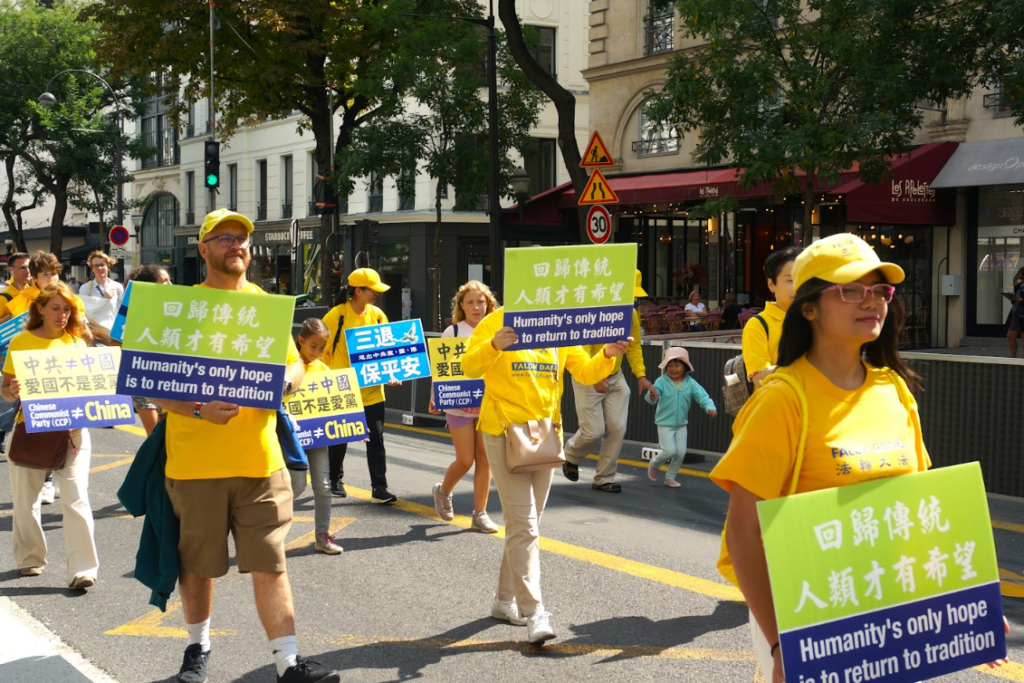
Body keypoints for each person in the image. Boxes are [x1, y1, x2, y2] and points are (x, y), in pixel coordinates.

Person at [711, 234, 934, 681]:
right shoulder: (781, 400)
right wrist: (780, 642)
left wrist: (961, 604)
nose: (871, 301)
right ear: (808, 308)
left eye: (880, 290)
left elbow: (922, 510)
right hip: (808, 606)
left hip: (888, 599)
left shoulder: (894, 388)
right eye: (850, 290)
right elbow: (744, 533)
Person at [147, 209, 338, 683]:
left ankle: (288, 663)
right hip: (195, 466)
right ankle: (197, 650)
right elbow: (151, 384)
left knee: (271, 562)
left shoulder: (266, 306)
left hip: (260, 462)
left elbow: (295, 364)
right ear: (203, 248)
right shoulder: (181, 308)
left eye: (243, 238)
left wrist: (288, 383)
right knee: (197, 567)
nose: (237, 245)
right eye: (225, 237)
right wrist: (198, 409)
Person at [463, 308, 630, 644]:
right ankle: (535, 612)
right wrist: (493, 346)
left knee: (527, 525)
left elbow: (583, 371)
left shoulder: (558, 323)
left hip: (544, 433)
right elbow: (469, 367)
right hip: (504, 432)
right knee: (524, 526)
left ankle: (503, 601)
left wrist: (607, 355)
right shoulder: (496, 321)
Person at [1, 282, 98, 590]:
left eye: (67, 309)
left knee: (76, 497)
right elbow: (5, 391)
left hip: (72, 432)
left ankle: (83, 570)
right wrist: (13, 390)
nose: (62, 314)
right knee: (26, 500)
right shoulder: (21, 341)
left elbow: (91, 387)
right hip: (31, 429)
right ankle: (30, 558)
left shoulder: (77, 343)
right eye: (55, 308)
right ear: (40, 309)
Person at [561, 269, 655, 493]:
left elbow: (633, 345)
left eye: (634, 296)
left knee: (617, 428)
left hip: (616, 377)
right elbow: (581, 349)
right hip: (588, 377)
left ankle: (604, 478)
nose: (633, 300)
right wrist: (593, 377)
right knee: (593, 431)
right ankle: (570, 456)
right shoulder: (591, 312)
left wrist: (641, 376)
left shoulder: (631, 314)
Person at [321, 268, 398, 505]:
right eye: (372, 290)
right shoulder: (336, 315)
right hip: (343, 387)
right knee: (339, 437)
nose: (376, 294)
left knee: (377, 439)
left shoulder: (378, 315)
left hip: (373, 390)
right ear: (358, 291)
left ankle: (379, 488)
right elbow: (321, 350)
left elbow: (387, 351)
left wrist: (392, 373)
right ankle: (335, 480)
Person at [429, 281, 500, 532]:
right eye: (470, 302)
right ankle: (443, 490)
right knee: (465, 459)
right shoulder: (454, 332)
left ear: (488, 304)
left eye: (481, 302)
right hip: (458, 405)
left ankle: (480, 514)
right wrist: (435, 395)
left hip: (488, 403)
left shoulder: (496, 330)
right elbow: (441, 368)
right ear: (461, 305)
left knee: (485, 460)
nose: (476, 307)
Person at [290, 318, 343, 555]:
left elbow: (338, 404)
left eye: (322, 348)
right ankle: (267, 530)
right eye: (313, 346)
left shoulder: (323, 369)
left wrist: (357, 428)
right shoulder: (289, 367)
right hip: (290, 438)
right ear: (300, 341)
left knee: (323, 485)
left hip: (317, 436)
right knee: (296, 486)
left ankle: (322, 536)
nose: (318, 352)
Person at [643, 347, 716, 488]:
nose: (673, 369)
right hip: (664, 423)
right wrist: (652, 396)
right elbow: (651, 398)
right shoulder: (661, 381)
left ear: (685, 366)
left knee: (680, 453)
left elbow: (703, 396)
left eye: (677, 365)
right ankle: (655, 463)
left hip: (681, 424)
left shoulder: (690, 383)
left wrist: (710, 407)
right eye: (669, 365)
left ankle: (670, 477)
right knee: (669, 451)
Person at [741, 246, 800, 388]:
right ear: (771, 284)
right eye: (790, 280)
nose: (798, 286)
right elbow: (760, 378)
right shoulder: (758, 325)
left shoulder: (817, 320)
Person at [127, 264, 173, 435]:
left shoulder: (176, 309)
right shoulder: (133, 308)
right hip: (142, 377)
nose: (170, 285)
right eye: (164, 281)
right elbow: (116, 343)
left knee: (166, 435)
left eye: (170, 280)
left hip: (167, 378)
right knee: (153, 436)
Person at [77, 251, 124, 334]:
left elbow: (122, 312)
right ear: (92, 269)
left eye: (102, 265)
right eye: (96, 265)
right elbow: (84, 312)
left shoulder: (117, 287)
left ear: (108, 267)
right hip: (95, 333)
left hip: (113, 332)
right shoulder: (85, 288)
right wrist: (104, 300)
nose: (99, 268)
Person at [1002, 266, 1024, 358]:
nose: (1021, 280)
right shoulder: (1019, 285)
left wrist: (1021, 301)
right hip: (1016, 311)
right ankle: (1012, 359)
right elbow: (1016, 297)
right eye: (1020, 278)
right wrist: (1012, 297)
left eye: (1022, 278)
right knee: (1010, 336)